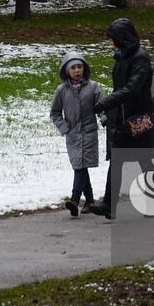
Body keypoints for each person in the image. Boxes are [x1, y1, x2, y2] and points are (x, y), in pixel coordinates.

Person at [90, 17, 154, 220]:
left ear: (122, 38)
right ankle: (110, 206)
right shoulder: (123, 56)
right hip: (124, 117)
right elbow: (121, 88)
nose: (111, 42)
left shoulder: (139, 58)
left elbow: (131, 89)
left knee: (144, 161)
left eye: (113, 38)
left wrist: (105, 103)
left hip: (140, 119)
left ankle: (152, 203)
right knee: (118, 160)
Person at [49, 52, 103, 217]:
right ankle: (90, 201)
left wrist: (105, 119)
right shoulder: (62, 90)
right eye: (73, 67)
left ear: (84, 68)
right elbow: (55, 113)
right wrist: (64, 128)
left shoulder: (93, 87)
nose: (77, 70)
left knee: (80, 166)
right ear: (66, 71)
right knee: (80, 165)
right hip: (72, 134)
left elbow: (102, 106)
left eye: (79, 67)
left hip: (89, 133)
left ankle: (74, 199)